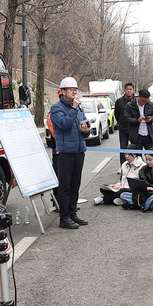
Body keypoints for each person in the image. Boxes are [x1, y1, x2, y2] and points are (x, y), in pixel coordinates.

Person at [49, 77, 90, 229]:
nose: (74, 91)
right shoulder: (56, 108)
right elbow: (65, 125)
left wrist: (87, 130)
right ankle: (64, 217)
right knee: (64, 186)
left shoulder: (78, 107)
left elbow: (84, 123)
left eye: (76, 89)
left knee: (75, 184)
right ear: (63, 91)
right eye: (71, 89)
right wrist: (73, 108)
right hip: (65, 152)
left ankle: (72, 213)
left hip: (79, 151)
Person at [114, 82, 137, 151]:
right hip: (123, 129)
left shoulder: (137, 101)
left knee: (135, 147)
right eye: (127, 89)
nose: (129, 91)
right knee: (123, 148)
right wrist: (120, 123)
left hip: (134, 129)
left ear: (133, 90)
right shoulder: (119, 101)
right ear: (124, 90)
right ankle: (123, 162)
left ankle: (136, 162)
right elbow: (116, 114)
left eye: (130, 89)